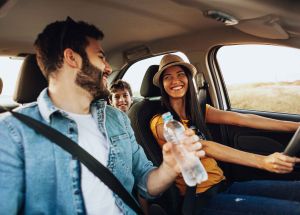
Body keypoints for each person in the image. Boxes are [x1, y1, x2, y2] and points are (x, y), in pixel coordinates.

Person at [0, 18, 204, 215]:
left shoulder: (117, 119)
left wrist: (169, 168)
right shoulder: (11, 133)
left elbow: (147, 184)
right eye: (100, 56)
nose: (107, 68)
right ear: (72, 58)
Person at [150, 53, 300, 215]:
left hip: (223, 185)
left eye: (180, 74)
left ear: (187, 78)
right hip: (200, 198)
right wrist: (263, 161)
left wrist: (296, 126)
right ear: (162, 84)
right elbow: (202, 146)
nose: (176, 81)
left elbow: (241, 119)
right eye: (168, 77)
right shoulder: (162, 122)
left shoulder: (198, 111)